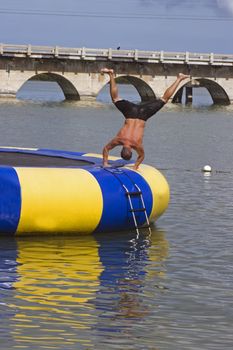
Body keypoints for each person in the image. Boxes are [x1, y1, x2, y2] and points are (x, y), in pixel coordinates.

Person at [101, 68, 189, 170]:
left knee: (164, 99)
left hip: (144, 115)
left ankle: (180, 78)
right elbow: (106, 149)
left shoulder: (137, 145)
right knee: (115, 98)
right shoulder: (118, 140)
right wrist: (105, 162)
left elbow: (141, 156)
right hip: (130, 112)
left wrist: (135, 166)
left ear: (131, 150)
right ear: (122, 149)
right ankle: (111, 74)